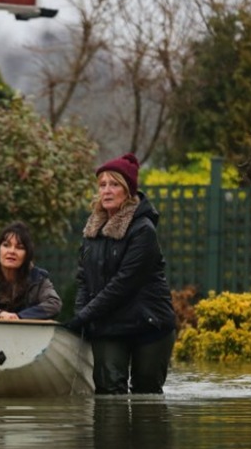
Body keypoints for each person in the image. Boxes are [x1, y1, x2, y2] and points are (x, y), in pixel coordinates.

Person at [63, 153, 177, 394]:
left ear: (128, 191)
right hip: (108, 324)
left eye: (114, 184)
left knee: (146, 394)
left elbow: (123, 285)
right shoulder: (91, 230)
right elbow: (84, 279)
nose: (107, 190)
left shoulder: (143, 230)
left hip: (149, 325)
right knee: (107, 392)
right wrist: (80, 316)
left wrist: (84, 317)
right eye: (102, 185)